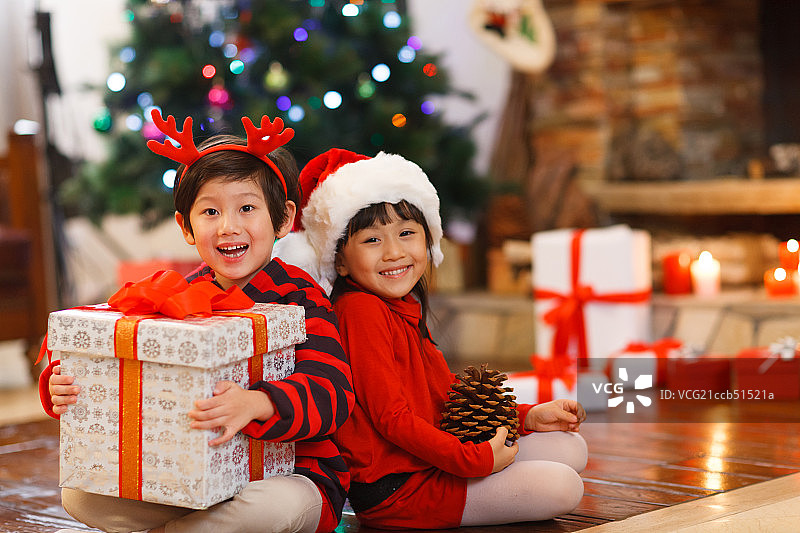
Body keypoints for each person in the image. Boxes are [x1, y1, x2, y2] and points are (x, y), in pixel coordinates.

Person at [40, 111, 354, 533]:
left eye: (246, 208)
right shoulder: (180, 296)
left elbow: (333, 393)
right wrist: (62, 387)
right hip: (194, 477)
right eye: (209, 212)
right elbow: (134, 372)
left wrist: (257, 403)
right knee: (81, 496)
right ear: (185, 226)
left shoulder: (300, 296)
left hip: (294, 475)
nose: (228, 227)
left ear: (282, 220)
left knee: (276, 505)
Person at [273, 148, 588, 530]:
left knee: (569, 447)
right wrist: (474, 460)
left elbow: (443, 396)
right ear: (340, 260)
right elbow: (393, 420)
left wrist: (527, 416)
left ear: (428, 241)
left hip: (432, 460)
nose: (393, 253)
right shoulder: (360, 310)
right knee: (563, 486)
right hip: (400, 488)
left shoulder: (402, 307)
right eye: (372, 240)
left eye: (406, 234)